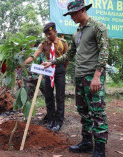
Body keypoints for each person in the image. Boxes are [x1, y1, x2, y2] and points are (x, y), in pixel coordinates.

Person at [42, 0, 109, 156]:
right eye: (69, 14)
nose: (71, 17)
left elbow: (104, 52)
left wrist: (97, 76)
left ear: (82, 11)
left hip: (92, 76)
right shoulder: (76, 33)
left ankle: (100, 149)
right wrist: (52, 62)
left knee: (97, 112)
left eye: (73, 13)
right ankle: (87, 142)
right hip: (79, 77)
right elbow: (69, 54)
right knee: (83, 111)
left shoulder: (97, 27)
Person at [23, 22, 68, 133]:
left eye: (50, 33)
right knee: (48, 97)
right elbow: (34, 55)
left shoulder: (63, 43)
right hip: (48, 71)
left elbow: (67, 58)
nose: (48, 36)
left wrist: (61, 70)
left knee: (60, 97)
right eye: (46, 34)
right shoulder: (44, 44)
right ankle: (51, 120)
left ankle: (59, 122)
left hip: (59, 70)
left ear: (55, 32)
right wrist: (23, 63)